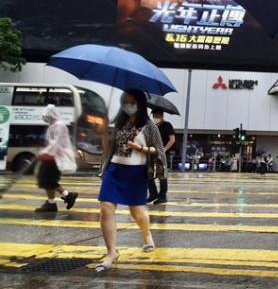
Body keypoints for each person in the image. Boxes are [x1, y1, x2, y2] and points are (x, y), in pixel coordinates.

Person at [95, 89, 166, 272]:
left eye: (132, 102)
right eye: (126, 102)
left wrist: (139, 147)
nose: (129, 105)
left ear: (140, 104)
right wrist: (103, 133)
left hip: (136, 172)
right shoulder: (119, 124)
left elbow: (159, 151)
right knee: (106, 208)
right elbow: (108, 149)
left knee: (137, 213)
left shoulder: (149, 125)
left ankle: (146, 233)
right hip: (115, 170)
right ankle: (112, 252)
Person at [34, 104, 79, 212]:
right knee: (45, 180)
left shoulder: (59, 125)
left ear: (52, 115)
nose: (45, 118)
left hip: (55, 158)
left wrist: (43, 152)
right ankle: (51, 203)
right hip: (50, 157)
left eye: (47, 116)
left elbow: (55, 142)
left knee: (48, 180)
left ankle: (68, 195)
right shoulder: (52, 125)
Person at [147, 108, 175, 205]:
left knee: (162, 175)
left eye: (157, 116)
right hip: (152, 153)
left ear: (162, 116)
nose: (155, 118)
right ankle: (153, 194)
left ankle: (162, 196)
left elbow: (172, 139)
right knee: (148, 174)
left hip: (163, 154)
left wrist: (163, 150)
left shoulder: (167, 125)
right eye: (154, 116)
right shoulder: (152, 127)